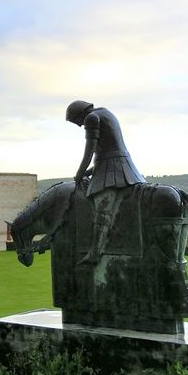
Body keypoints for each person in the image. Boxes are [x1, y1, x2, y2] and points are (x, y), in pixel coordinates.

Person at [66, 100, 146, 264]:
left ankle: (95, 252)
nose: (80, 125)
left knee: (102, 205)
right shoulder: (106, 112)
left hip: (115, 166)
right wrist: (88, 173)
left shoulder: (92, 118)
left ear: (80, 115)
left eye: (77, 122)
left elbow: (90, 150)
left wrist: (79, 173)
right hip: (114, 165)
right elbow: (105, 152)